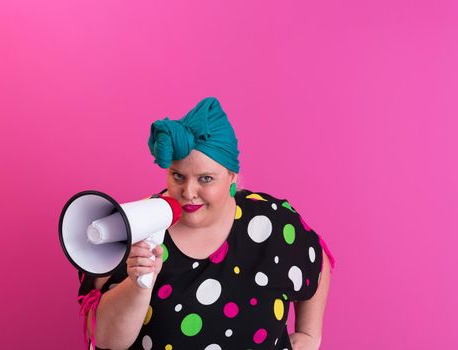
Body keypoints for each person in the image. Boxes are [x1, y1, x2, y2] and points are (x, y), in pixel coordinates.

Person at [77, 97, 335, 350]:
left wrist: (309, 334)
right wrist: (137, 285)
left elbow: (315, 256)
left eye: (205, 179)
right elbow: (106, 339)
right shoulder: (136, 227)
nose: (189, 192)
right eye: (178, 176)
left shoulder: (271, 223)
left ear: (231, 176)